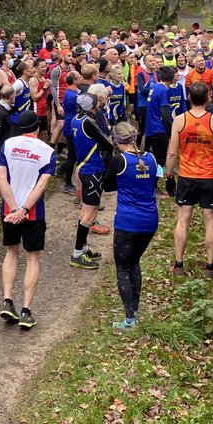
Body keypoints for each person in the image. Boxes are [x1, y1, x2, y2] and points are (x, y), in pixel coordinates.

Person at [164, 82, 213, 280]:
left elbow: (172, 152)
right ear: (209, 98)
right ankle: (210, 267)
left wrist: (169, 176)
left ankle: (178, 264)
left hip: (187, 176)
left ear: (189, 98)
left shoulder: (179, 120)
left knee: (183, 219)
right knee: (210, 221)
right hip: (209, 177)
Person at [0, 111, 56, 330]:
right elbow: (41, 186)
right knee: (33, 258)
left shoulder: (8, 145)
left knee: (11, 252)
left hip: (9, 210)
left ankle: (7, 300)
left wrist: (13, 208)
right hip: (33, 212)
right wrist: (24, 210)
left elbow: (2, 178)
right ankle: (26, 310)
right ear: (37, 127)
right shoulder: (47, 151)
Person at [102, 123, 159, 331]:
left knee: (123, 268)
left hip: (127, 222)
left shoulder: (119, 160)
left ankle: (129, 319)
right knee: (134, 263)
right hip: (149, 221)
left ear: (117, 141)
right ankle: (135, 311)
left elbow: (107, 186)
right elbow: (153, 184)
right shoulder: (152, 158)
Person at [70, 86, 113, 269]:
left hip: (83, 167)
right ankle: (77, 254)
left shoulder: (76, 119)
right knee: (89, 214)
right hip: (92, 169)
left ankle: (84, 247)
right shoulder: (89, 122)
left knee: (87, 211)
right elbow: (107, 143)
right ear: (93, 106)